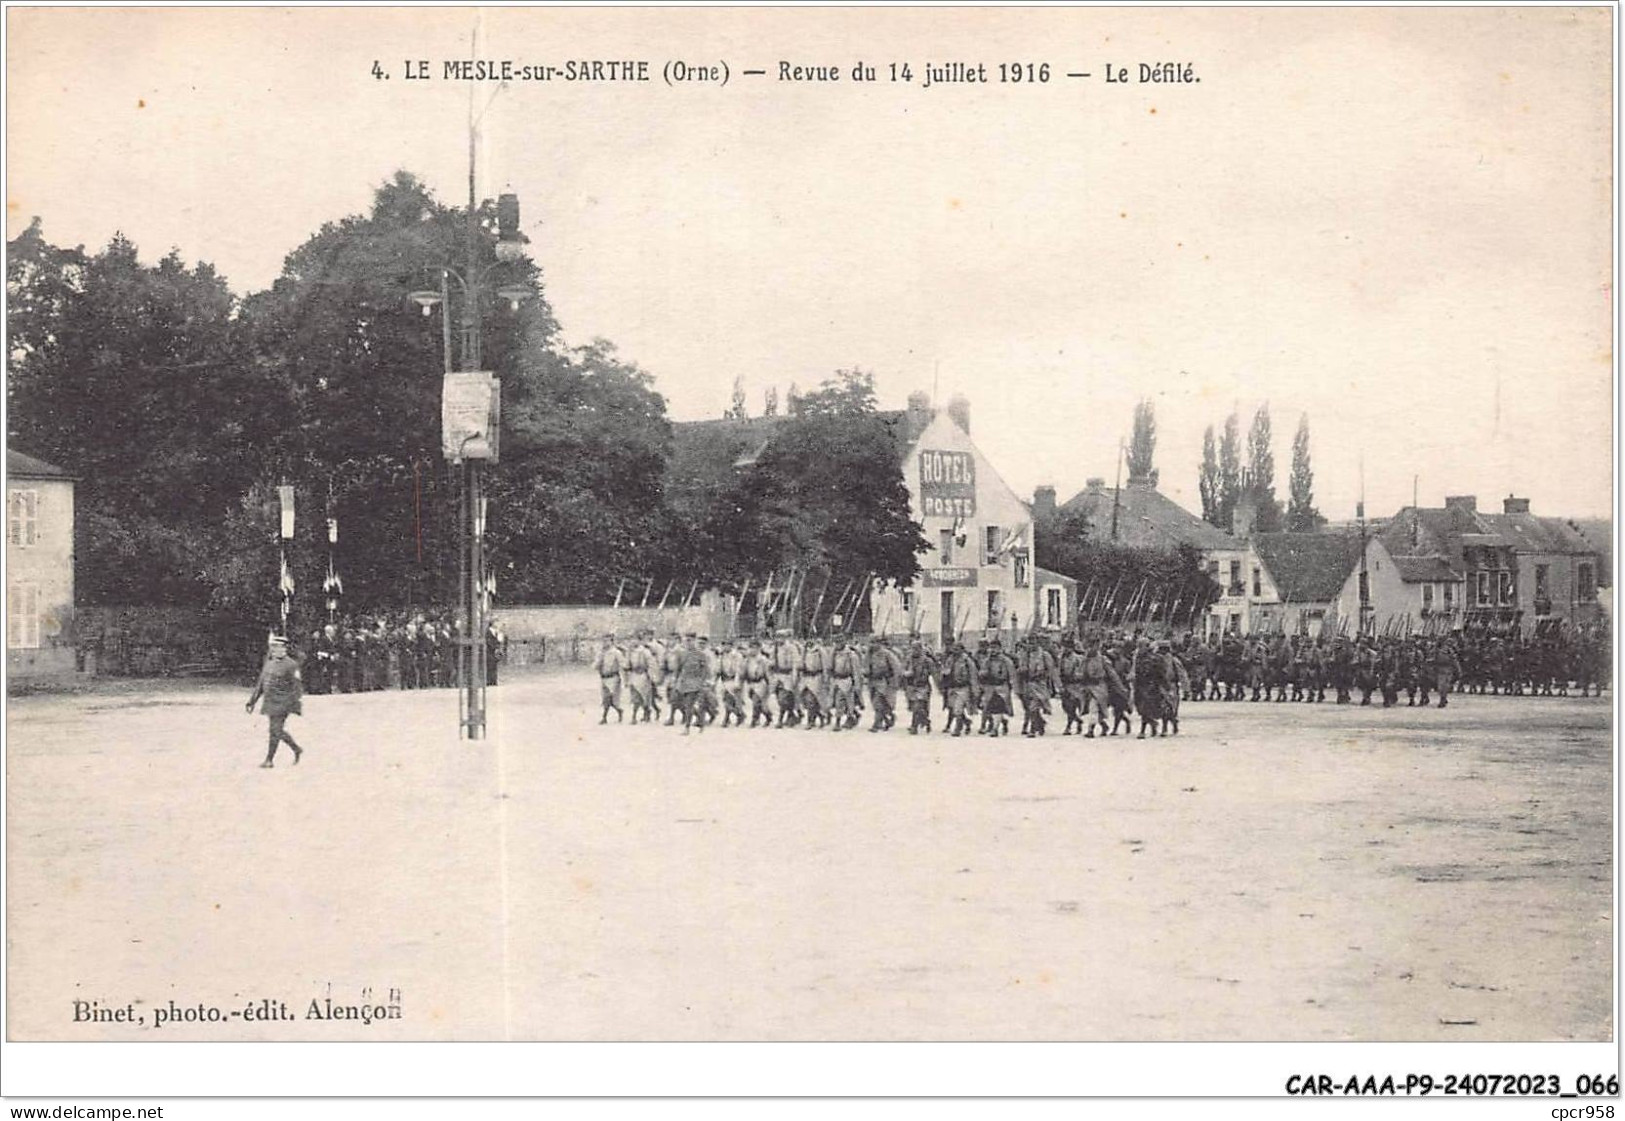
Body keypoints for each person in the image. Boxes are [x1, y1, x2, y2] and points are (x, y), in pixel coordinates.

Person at [246, 633, 305, 768]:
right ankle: (296, 748)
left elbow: (297, 687)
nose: (277, 650)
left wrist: (292, 703)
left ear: (285, 649)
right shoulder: (269, 664)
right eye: (274, 647)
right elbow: (261, 684)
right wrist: (252, 701)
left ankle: (269, 760)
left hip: (283, 702)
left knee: (275, 730)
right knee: (276, 731)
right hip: (270, 701)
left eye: (280, 648)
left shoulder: (291, 665)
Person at [593, 633, 627, 724]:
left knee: (610, 698)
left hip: (614, 677)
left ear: (611, 642)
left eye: (607, 641)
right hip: (604, 677)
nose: (604, 643)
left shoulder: (616, 652)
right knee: (605, 698)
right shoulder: (601, 653)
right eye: (603, 641)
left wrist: (626, 677)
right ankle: (618, 711)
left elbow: (623, 664)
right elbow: (595, 666)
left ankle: (605, 717)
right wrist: (599, 660)